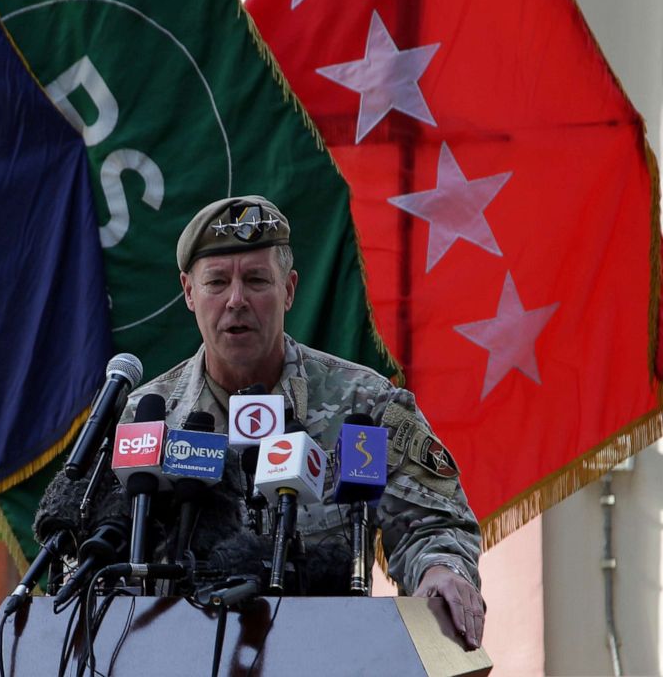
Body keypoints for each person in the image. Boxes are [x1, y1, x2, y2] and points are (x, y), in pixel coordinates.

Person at [35, 194, 484, 650]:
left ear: (288, 289)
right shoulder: (146, 420)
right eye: (216, 283)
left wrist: (440, 570)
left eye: (255, 280)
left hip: (326, 653)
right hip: (177, 655)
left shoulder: (363, 402)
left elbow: (435, 524)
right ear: (189, 292)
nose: (236, 300)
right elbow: (93, 562)